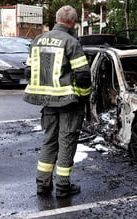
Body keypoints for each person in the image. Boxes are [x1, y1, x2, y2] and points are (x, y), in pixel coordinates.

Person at [23, 5, 91, 198]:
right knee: (67, 141)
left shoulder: (38, 40)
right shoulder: (71, 42)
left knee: (49, 141)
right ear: (72, 22)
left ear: (56, 19)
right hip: (69, 103)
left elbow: (28, 71)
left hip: (47, 101)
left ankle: (42, 185)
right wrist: (84, 96)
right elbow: (83, 75)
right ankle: (62, 186)